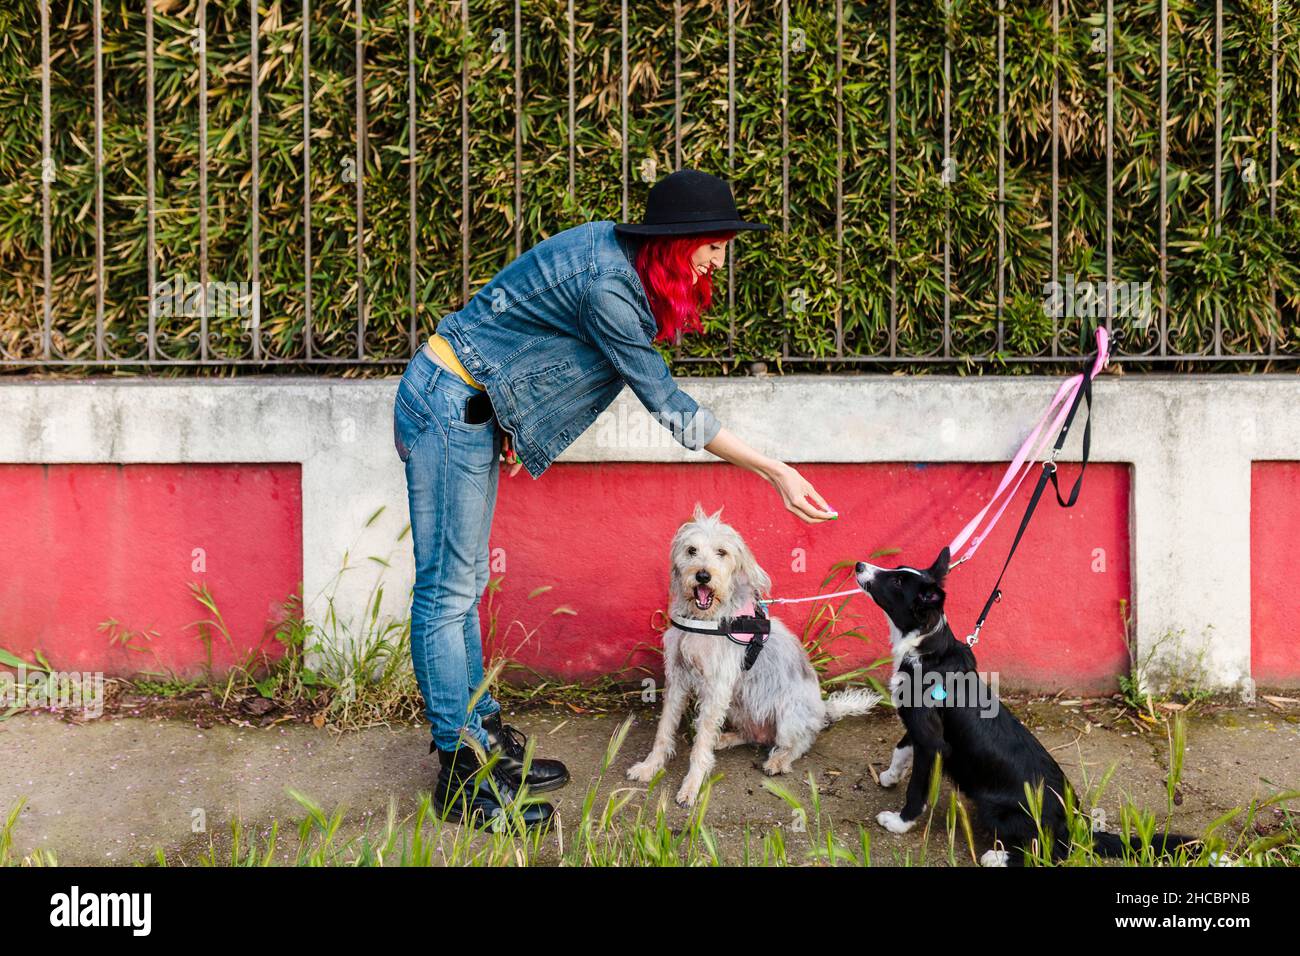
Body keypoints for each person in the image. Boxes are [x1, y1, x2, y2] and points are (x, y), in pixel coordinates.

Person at [393, 168, 836, 828]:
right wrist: (773, 470)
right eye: (712, 244)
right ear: (675, 243)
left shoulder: (616, 260)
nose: (720, 258)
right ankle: (460, 771)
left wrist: (518, 418)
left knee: (466, 581)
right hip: (446, 408)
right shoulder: (611, 288)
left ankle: (481, 740)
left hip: (472, 408)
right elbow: (670, 407)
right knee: (445, 592)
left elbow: (533, 336)